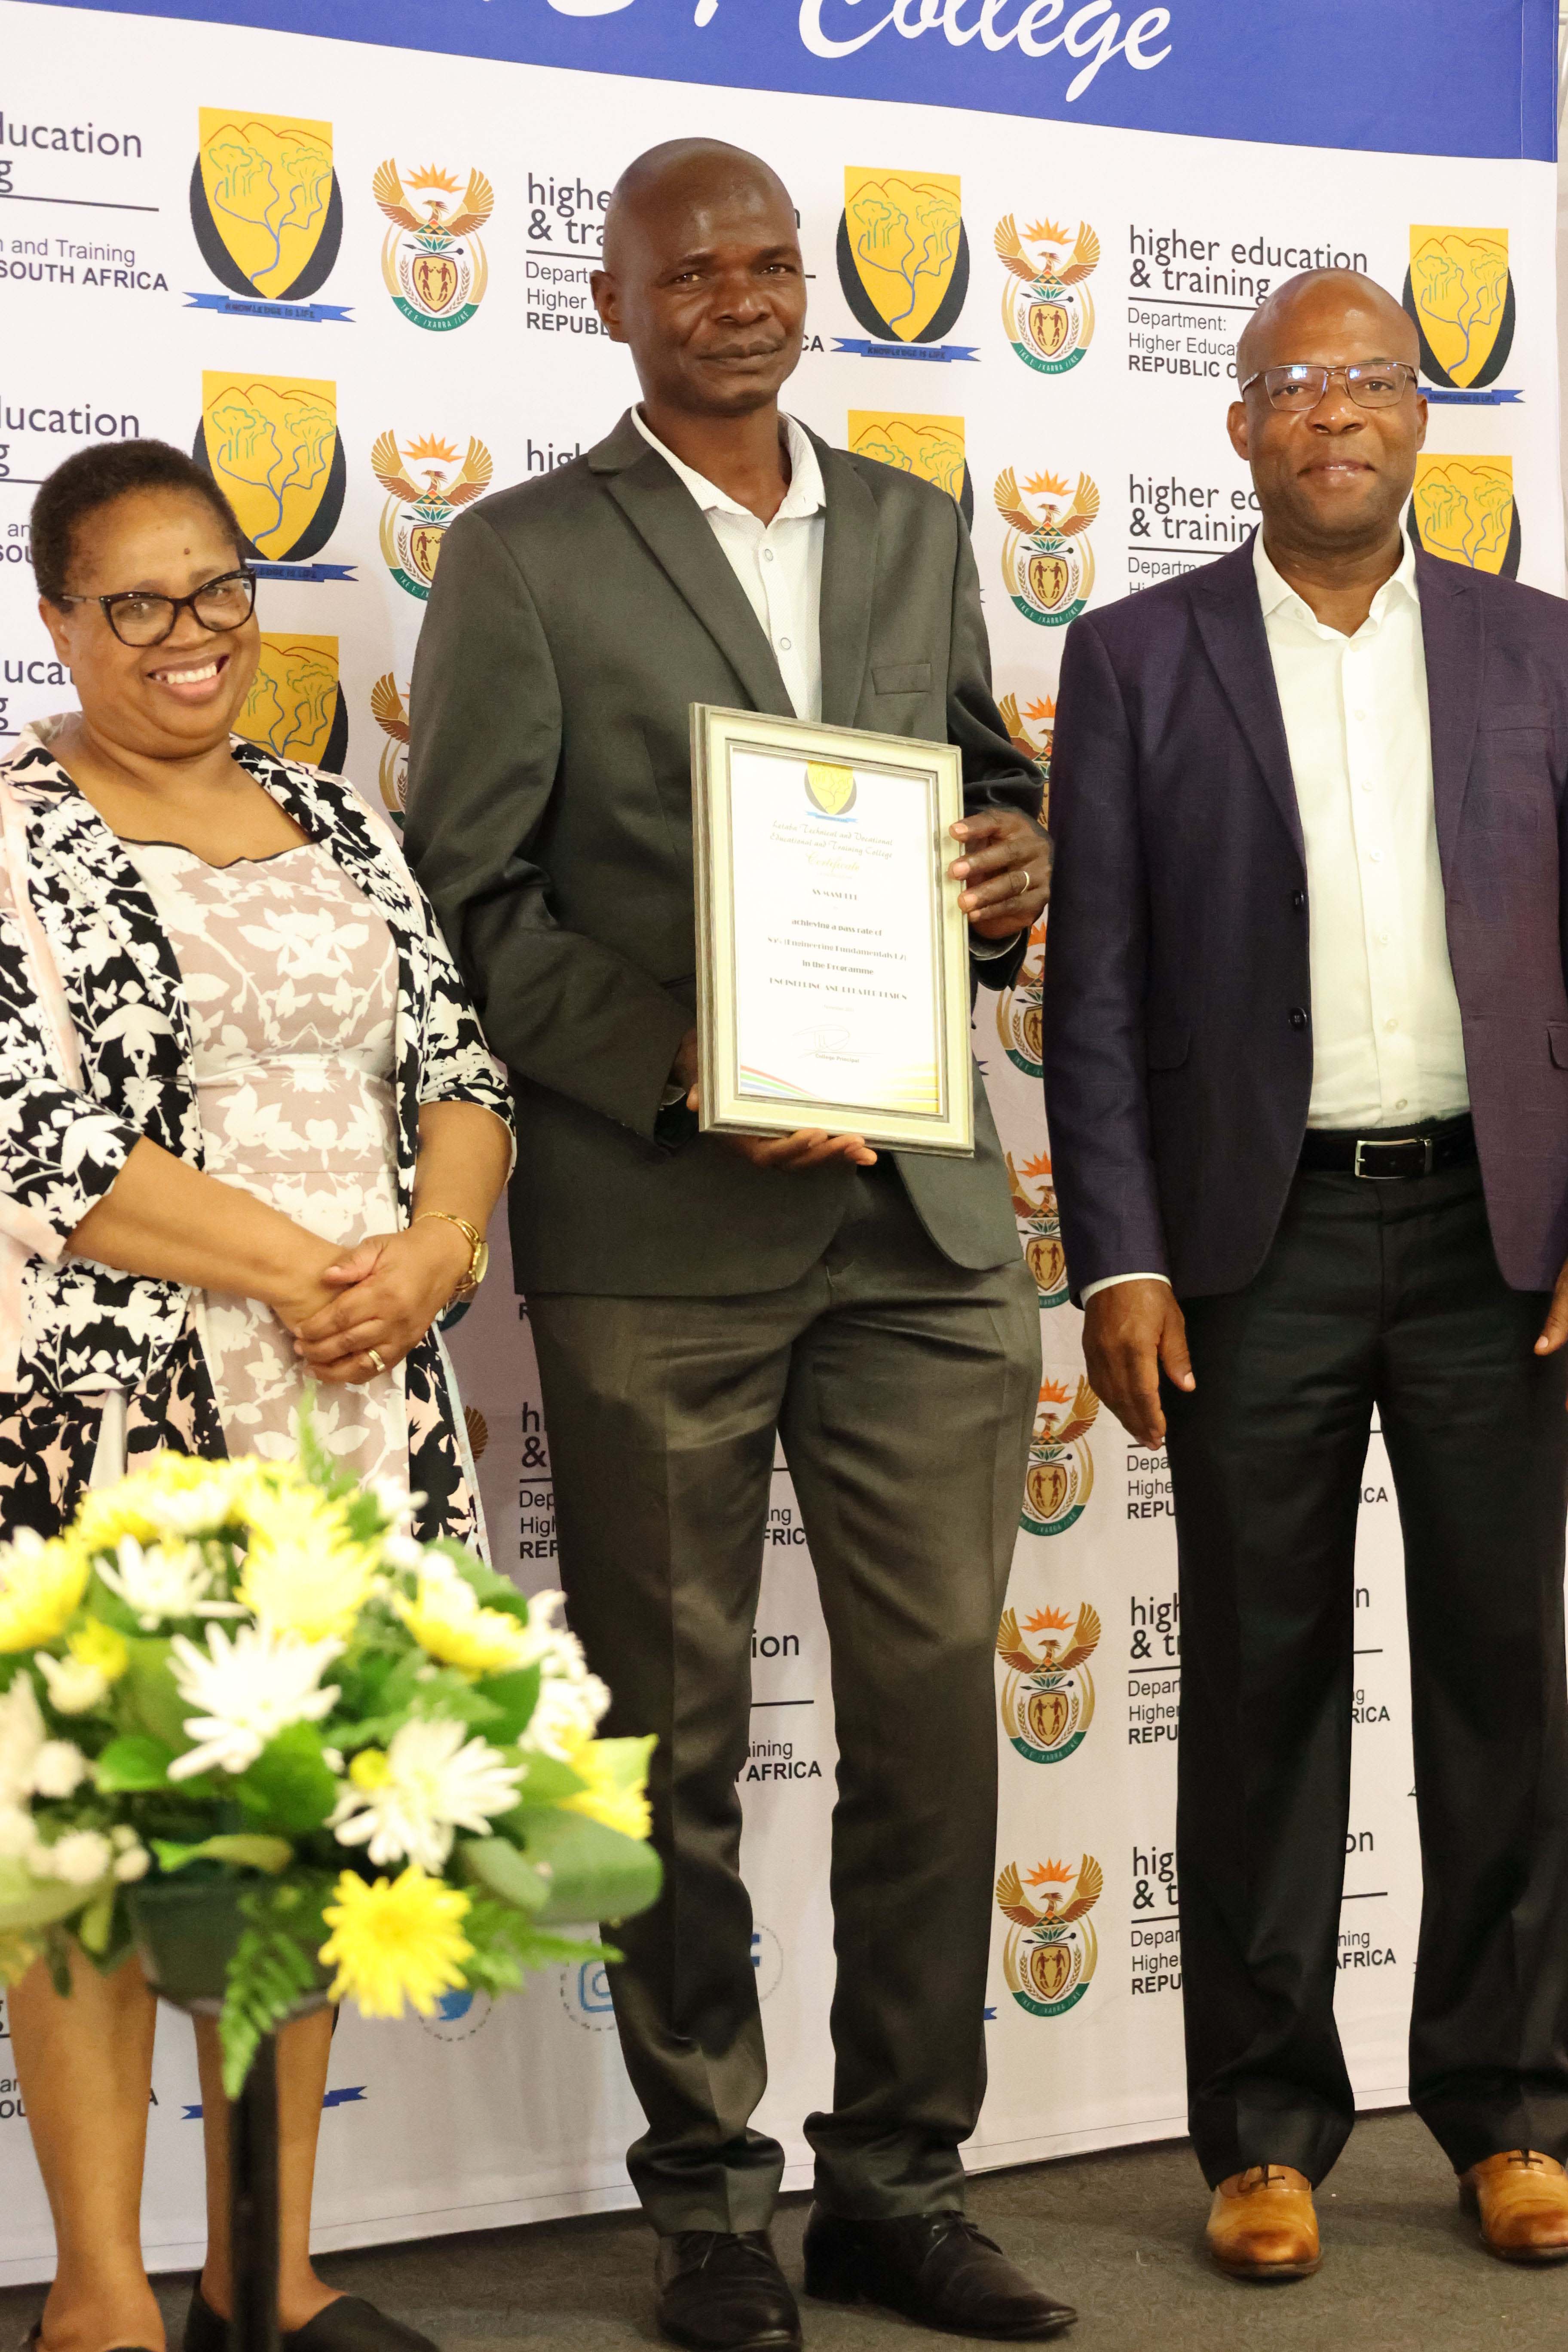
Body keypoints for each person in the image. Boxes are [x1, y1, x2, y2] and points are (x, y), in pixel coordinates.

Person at [405, 137, 1072, 2351]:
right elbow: (470, 899)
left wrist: (1015, 857)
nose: (742, 297)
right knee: (674, 1747)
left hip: (924, 1227)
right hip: (662, 1227)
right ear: (612, 301)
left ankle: (900, 2186)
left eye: (773, 263)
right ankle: (707, 2209)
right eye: (691, 271)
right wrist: (688, 1063)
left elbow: (977, 776)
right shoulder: (519, 557)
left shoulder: (911, 523)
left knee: (934, 1732)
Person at [1043, 268, 1568, 2281]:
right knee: (1261, 1687)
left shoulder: (1538, 649)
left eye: (1372, 380)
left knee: (1504, 1684)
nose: (1335, 411)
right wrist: (1121, 1258)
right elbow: (1094, 992)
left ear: (1424, 416)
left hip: (1496, 1233)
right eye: (1295, 383)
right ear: (1240, 425)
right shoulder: (1137, 658)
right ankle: (1265, 2136)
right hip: (1251, 1245)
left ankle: (1514, 2113)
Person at [2, 436, 514, 2352]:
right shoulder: (11, 832)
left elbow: (462, 1072)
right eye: (136, 603)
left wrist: (436, 1253)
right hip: (123, 1419)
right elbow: (38, 1140)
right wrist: (316, 1271)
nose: (190, 633)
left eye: (215, 588)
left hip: (358, 1410)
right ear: (59, 622)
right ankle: (102, 2294)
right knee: (104, 1854)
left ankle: (263, 2274)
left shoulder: (336, 816)